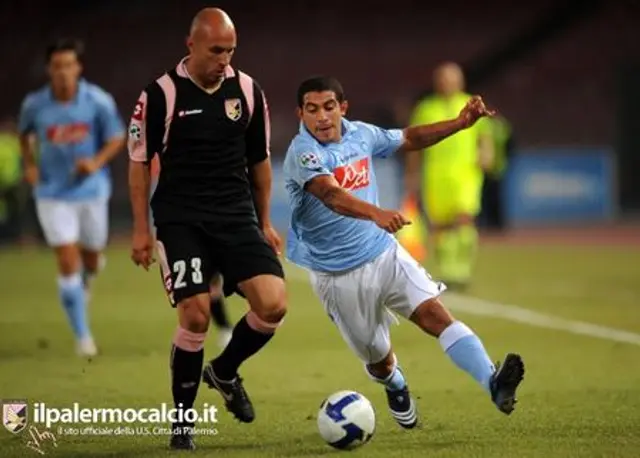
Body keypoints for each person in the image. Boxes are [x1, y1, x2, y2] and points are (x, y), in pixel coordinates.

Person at [283, 76, 524, 430]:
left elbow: (410, 137)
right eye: (312, 109)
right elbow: (330, 195)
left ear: (343, 108)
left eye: (329, 107)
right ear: (300, 113)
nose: (322, 117)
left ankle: (493, 383)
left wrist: (460, 123)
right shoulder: (303, 153)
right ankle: (396, 385)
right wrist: (376, 213)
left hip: (384, 254)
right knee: (379, 360)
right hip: (338, 275)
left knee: (436, 316)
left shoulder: (361, 133)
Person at [128, 8, 287, 450]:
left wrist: (267, 222)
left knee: (273, 305)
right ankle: (182, 425)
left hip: (236, 217)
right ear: (191, 44)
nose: (224, 59)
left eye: (231, 50)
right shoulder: (160, 94)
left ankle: (223, 370)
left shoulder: (249, 91)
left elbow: (260, 162)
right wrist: (141, 229)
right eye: (216, 50)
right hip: (181, 219)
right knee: (196, 313)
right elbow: (139, 163)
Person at [18, 38, 125, 357]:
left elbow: (117, 137)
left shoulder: (97, 100)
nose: (63, 72)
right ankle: (83, 337)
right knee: (67, 258)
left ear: (78, 67)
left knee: (91, 259)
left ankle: (88, 276)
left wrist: (94, 163)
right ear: (49, 70)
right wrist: (30, 166)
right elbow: (24, 135)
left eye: (68, 65)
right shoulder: (35, 105)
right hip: (52, 192)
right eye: (56, 66)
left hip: (91, 191)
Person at [406, 62, 494, 290]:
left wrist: (486, 153)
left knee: (463, 218)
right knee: (441, 225)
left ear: (461, 80)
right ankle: (448, 272)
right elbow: (414, 141)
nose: (447, 82)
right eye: (443, 78)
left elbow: (485, 134)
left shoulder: (472, 103)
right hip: (435, 174)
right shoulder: (425, 108)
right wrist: (412, 172)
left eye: (452, 78)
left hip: (465, 173)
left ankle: (462, 270)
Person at [149, 155, 234, 349]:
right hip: (178, 207)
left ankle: (224, 328)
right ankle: (215, 330)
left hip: (211, 205)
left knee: (211, 280)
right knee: (197, 287)